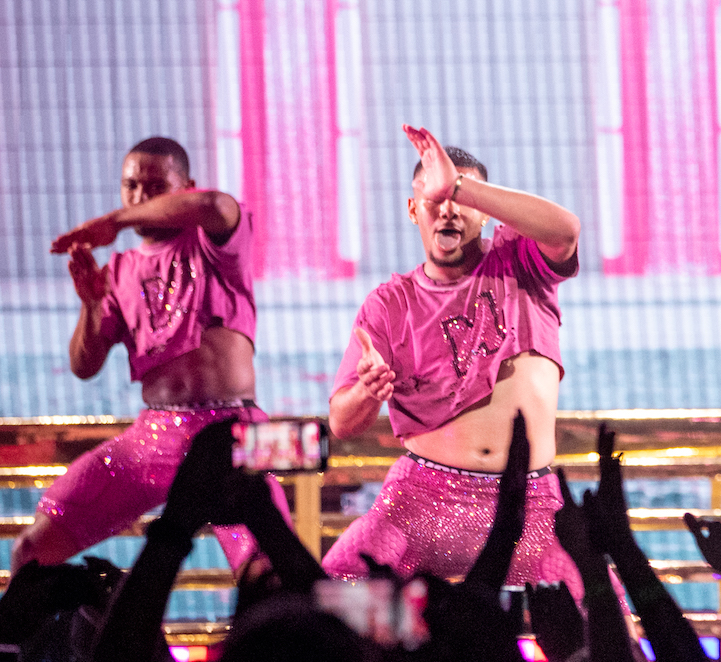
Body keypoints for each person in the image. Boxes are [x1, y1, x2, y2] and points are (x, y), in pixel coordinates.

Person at [322, 124, 586, 592]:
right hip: (420, 500)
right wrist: (367, 391)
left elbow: (565, 231)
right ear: (412, 209)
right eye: (434, 198)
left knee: (605, 621)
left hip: (529, 505)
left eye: (461, 202)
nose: (447, 210)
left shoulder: (520, 262)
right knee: (330, 598)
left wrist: (459, 186)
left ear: (484, 214)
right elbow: (342, 422)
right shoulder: (388, 303)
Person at [12, 137, 287, 574]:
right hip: (155, 434)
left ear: (186, 187)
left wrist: (116, 220)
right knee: (32, 549)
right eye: (131, 187)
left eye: (155, 186)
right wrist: (89, 305)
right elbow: (85, 366)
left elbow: (216, 204)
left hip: (232, 431)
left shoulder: (217, 244)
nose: (140, 197)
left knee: (269, 570)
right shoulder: (118, 271)